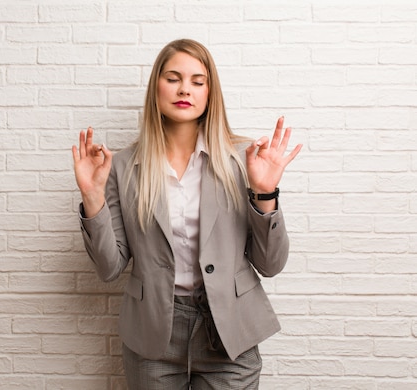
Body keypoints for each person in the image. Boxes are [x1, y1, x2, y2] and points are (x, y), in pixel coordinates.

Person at [72, 39, 302, 390]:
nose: (185, 89)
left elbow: (270, 264)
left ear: (211, 92)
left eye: (198, 81)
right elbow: (109, 268)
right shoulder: (121, 166)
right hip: (153, 335)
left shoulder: (245, 159)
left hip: (229, 332)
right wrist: (92, 198)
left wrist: (264, 193)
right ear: (156, 88)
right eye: (173, 78)